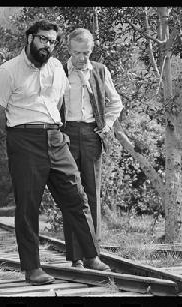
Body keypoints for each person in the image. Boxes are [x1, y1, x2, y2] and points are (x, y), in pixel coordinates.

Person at [0, 20, 110, 286]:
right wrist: (16, 135)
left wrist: (55, 129)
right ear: (30, 38)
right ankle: (32, 269)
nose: (48, 45)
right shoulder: (7, 71)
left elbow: (59, 101)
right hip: (24, 140)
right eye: (43, 39)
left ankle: (91, 256)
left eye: (52, 41)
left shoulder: (56, 68)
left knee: (77, 197)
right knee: (29, 206)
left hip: (55, 137)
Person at [60, 28, 123, 268]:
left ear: (91, 50)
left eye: (86, 52)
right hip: (65, 135)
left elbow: (115, 102)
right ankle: (76, 257)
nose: (82, 58)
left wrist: (106, 126)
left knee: (92, 194)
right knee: (71, 194)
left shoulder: (100, 70)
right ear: (69, 50)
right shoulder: (58, 71)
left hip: (90, 135)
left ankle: (92, 256)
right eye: (77, 53)